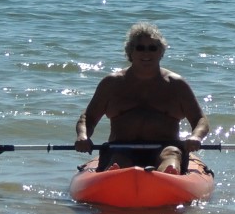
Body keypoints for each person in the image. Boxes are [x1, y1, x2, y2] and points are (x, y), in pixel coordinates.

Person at [74, 22, 210, 174]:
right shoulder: (111, 84)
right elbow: (88, 118)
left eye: (153, 48)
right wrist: (83, 136)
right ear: (130, 52)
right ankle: (116, 175)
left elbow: (200, 120)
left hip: (166, 148)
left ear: (161, 52)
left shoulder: (177, 85)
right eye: (140, 48)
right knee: (120, 158)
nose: (147, 53)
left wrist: (196, 137)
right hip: (120, 149)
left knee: (171, 154)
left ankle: (169, 175)